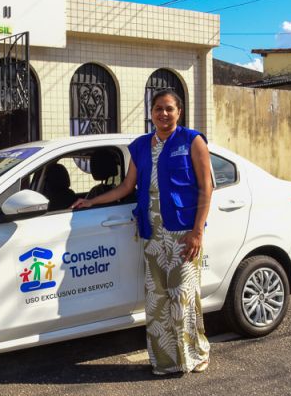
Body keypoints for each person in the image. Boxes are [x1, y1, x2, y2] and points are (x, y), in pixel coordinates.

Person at [72, 88, 213, 376]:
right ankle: (165, 361)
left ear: (179, 112)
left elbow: (206, 187)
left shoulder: (192, 141)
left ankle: (193, 357)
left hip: (183, 231)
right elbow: (126, 187)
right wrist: (91, 200)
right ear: (151, 113)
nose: (163, 114)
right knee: (158, 298)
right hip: (152, 231)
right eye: (158, 108)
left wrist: (197, 231)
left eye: (169, 108)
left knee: (184, 296)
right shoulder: (140, 146)